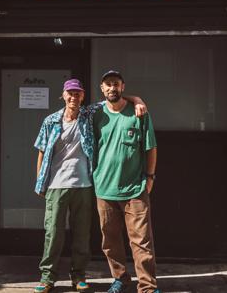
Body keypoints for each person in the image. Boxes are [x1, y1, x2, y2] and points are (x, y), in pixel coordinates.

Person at [33, 78, 146, 293]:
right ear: (63, 95)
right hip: (56, 185)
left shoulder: (89, 114)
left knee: (81, 234)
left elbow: (113, 98)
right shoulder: (50, 121)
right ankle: (47, 278)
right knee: (53, 233)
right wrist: (41, 182)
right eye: (70, 93)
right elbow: (41, 152)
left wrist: (137, 99)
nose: (74, 97)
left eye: (78, 93)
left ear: (82, 96)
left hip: (84, 184)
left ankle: (79, 276)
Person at [92, 70, 159, 293]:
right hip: (105, 188)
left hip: (135, 189)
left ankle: (147, 287)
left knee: (141, 241)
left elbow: (150, 147)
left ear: (123, 87)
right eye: (108, 84)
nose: (112, 88)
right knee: (110, 241)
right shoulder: (94, 114)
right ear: (102, 89)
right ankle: (120, 278)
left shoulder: (139, 113)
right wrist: (136, 97)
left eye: (116, 84)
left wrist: (149, 177)